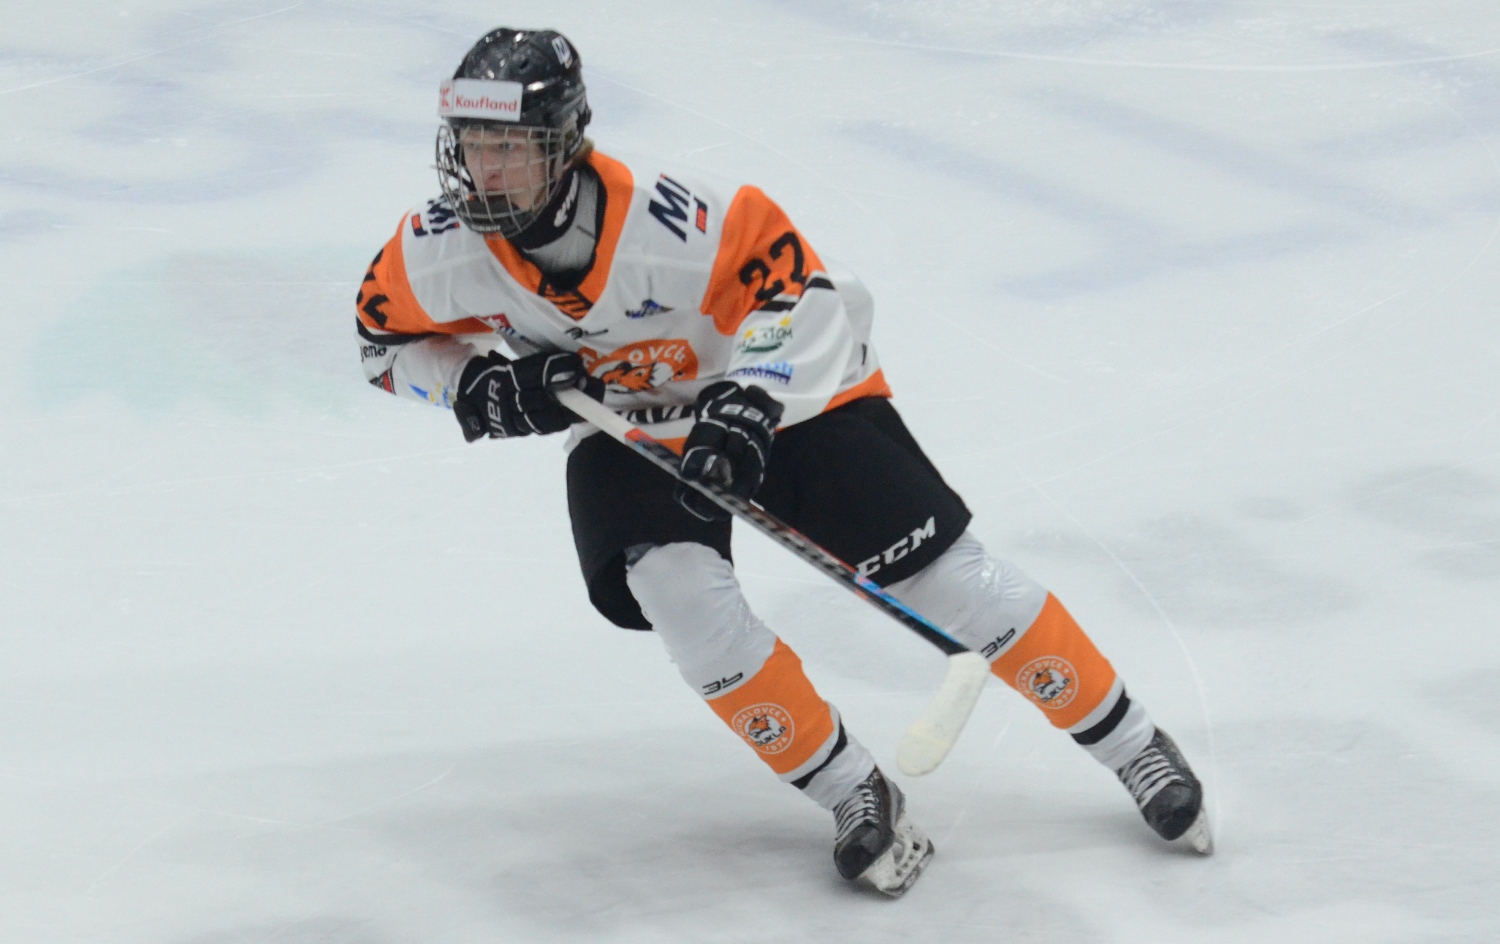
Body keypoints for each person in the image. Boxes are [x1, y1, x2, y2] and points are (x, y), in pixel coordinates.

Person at [355, 27, 1212, 897]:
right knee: (681, 603)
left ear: (564, 143)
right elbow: (380, 348)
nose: (485, 171)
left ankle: (1136, 747)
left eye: (509, 148)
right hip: (628, 420)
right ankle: (853, 791)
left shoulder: (675, 223)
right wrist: (477, 387)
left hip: (787, 393)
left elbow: (801, 294)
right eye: (472, 145)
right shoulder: (438, 248)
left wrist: (753, 394)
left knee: (945, 579)